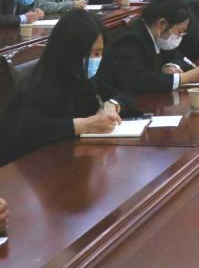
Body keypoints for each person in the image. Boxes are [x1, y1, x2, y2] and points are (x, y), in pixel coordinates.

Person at [0, 10, 125, 166]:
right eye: (91, 53)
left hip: (66, 160)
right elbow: (29, 130)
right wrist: (84, 125)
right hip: (27, 169)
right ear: (70, 52)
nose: (96, 59)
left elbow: (123, 95)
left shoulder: (81, 76)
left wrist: (111, 105)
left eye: (99, 53)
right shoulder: (41, 85)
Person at [98, 0, 199, 94]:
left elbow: (178, 57)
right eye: (180, 32)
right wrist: (183, 78)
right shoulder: (130, 40)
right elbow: (138, 80)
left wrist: (170, 66)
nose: (179, 37)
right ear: (162, 24)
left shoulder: (158, 36)